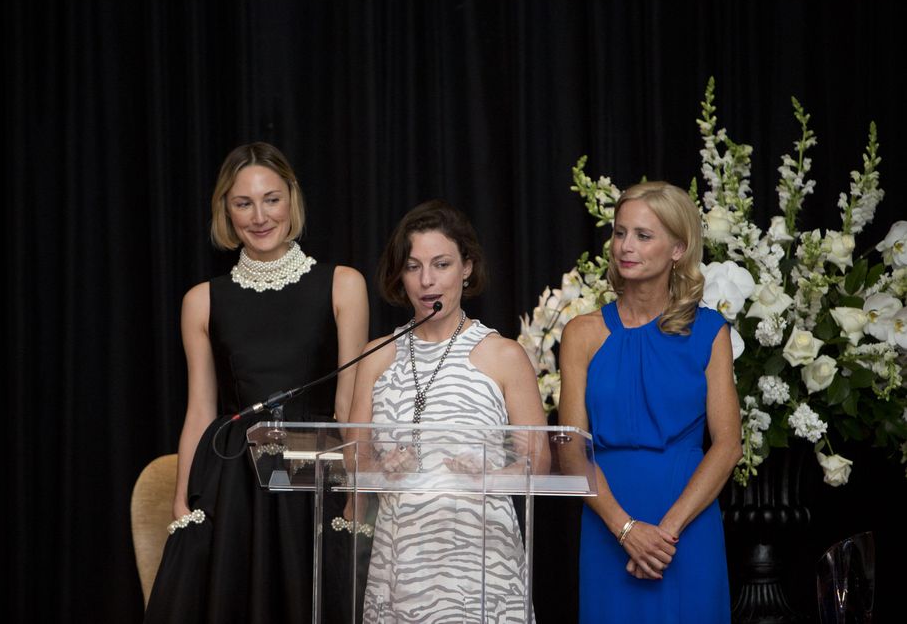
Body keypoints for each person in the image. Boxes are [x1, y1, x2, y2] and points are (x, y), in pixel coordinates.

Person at [143, 142, 369, 623]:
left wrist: (358, 492)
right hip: (234, 485)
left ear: (292, 198)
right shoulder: (201, 300)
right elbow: (200, 409)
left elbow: (350, 401)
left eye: (271, 198)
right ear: (225, 209)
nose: (260, 215)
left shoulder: (343, 283)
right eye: (243, 203)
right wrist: (182, 498)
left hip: (316, 474)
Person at [346, 199, 549, 623]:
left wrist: (487, 477)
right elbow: (355, 457)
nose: (427, 281)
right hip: (399, 565)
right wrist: (383, 469)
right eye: (414, 266)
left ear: (467, 267)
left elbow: (539, 461)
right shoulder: (376, 356)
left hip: (483, 563)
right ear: (400, 274)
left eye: (441, 264)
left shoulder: (504, 355)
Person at [557, 181, 742, 623]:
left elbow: (728, 445)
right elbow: (570, 449)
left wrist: (664, 533)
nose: (626, 247)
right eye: (620, 233)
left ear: (678, 248)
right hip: (608, 520)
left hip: (686, 527)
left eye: (643, 235)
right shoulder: (581, 333)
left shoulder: (710, 331)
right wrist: (626, 529)